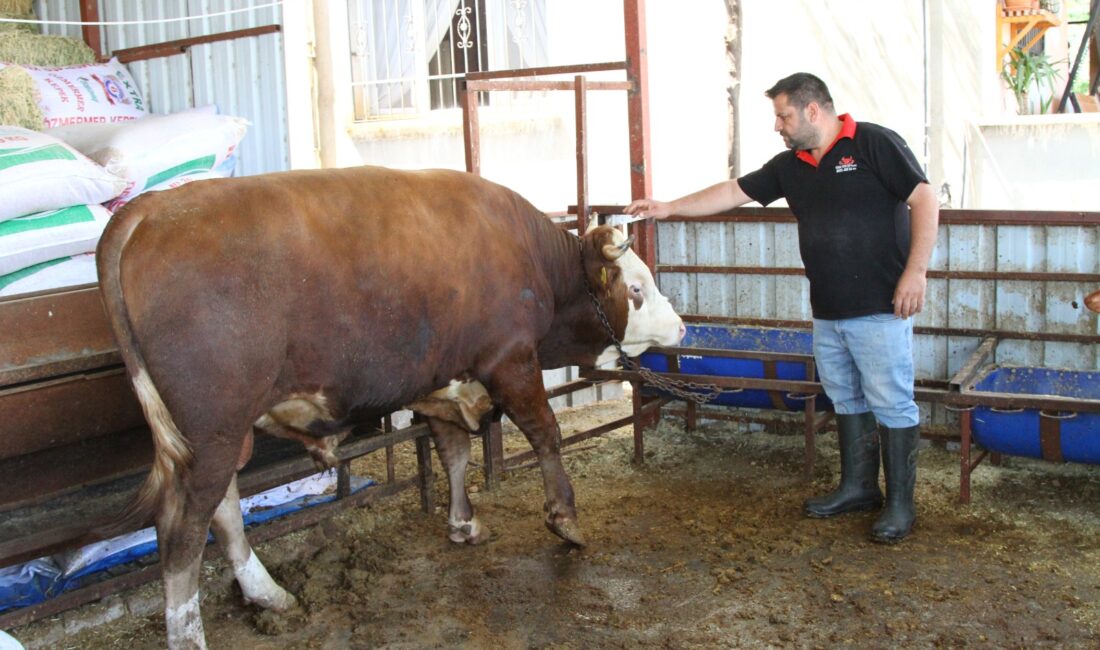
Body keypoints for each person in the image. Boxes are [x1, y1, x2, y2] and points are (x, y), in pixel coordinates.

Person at [625, 72, 939, 543]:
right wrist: (669, 207)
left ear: (813, 110)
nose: (778, 125)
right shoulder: (791, 165)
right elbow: (733, 191)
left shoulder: (874, 143)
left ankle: (900, 505)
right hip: (828, 309)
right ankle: (859, 488)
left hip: (880, 306)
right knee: (846, 398)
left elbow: (924, 197)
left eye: (783, 115)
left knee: (891, 400)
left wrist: (916, 272)